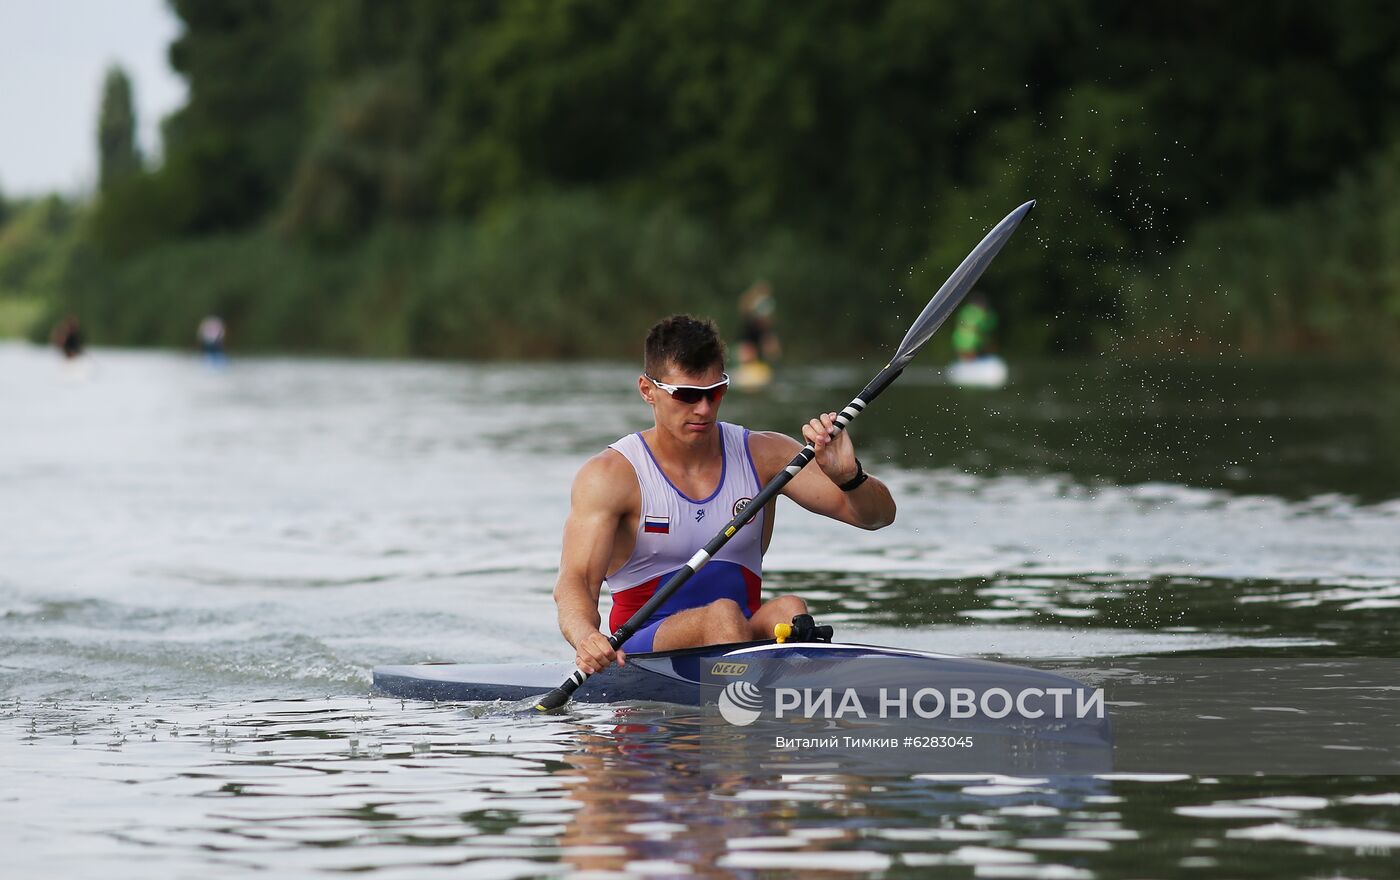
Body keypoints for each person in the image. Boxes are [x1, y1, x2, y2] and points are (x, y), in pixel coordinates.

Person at [554, 314, 896, 675]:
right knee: (723, 614)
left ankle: (786, 702)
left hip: (737, 635)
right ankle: (753, 710)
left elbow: (877, 517)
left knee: (789, 609)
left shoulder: (766, 455)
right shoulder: (611, 476)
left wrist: (849, 477)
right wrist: (586, 637)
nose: (703, 409)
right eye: (686, 395)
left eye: (714, 392)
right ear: (647, 390)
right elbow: (576, 580)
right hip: (644, 653)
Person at [951, 293, 998, 361]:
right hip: (968, 343)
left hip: (961, 342)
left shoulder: (966, 310)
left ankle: (968, 360)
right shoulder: (981, 313)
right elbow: (985, 328)